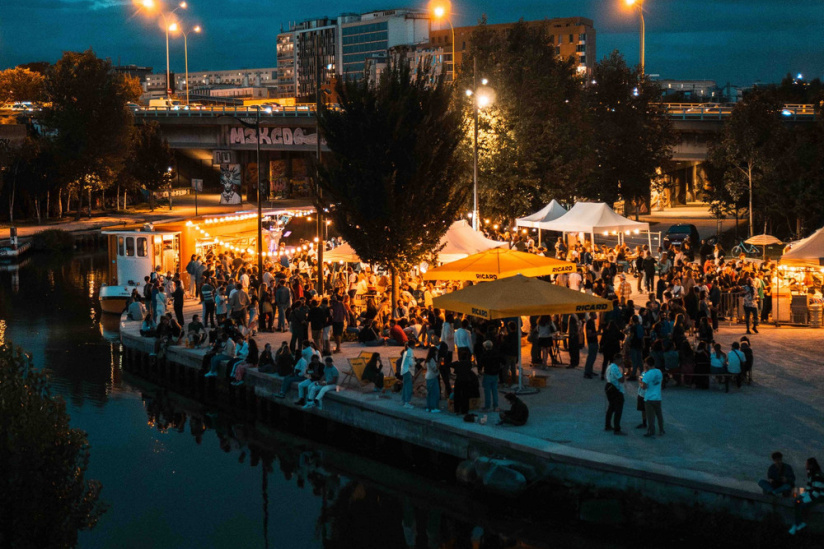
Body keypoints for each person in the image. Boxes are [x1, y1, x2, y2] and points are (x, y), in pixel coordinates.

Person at [789, 457, 824, 535]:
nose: (805, 465)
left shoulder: (817, 475)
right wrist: (801, 496)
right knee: (797, 501)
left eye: (806, 464)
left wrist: (803, 500)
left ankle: (799, 524)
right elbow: (809, 489)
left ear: (811, 465)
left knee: (802, 505)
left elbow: (816, 493)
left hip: (821, 496)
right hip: (814, 494)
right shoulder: (811, 474)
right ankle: (798, 524)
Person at [640, 357, 664, 438]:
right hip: (658, 397)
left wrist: (640, 382)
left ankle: (651, 431)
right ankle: (661, 429)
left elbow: (644, 387)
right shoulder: (659, 371)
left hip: (649, 398)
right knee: (659, 415)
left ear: (647, 364)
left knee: (650, 416)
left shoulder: (647, 374)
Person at [605, 353, 626, 435]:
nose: (622, 361)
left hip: (608, 387)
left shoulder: (609, 366)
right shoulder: (615, 368)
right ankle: (617, 429)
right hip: (615, 389)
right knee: (618, 409)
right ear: (617, 359)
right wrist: (623, 370)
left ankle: (608, 425)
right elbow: (621, 380)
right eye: (621, 359)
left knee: (611, 407)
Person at [478, 340, 502, 412]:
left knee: (487, 391)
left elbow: (480, 365)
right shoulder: (496, 353)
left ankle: (487, 406)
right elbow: (503, 361)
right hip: (495, 374)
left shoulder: (484, 355)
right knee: (494, 390)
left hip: (488, 374)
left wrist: (480, 371)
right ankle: (496, 406)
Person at [423, 346, 441, 413]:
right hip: (432, 377)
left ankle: (428, 407)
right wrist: (438, 365)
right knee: (435, 393)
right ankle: (433, 408)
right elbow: (435, 369)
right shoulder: (432, 360)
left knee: (429, 393)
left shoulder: (428, 359)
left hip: (428, 377)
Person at [399, 342, 417, 408]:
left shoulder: (406, 351)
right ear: (412, 345)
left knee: (405, 386)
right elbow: (411, 363)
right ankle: (407, 402)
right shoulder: (410, 352)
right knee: (408, 387)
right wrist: (415, 362)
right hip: (408, 371)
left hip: (404, 370)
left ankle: (403, 400)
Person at [583, 313, 599, 379]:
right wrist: (597, 333)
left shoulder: (592, 322)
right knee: (591, 357)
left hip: (594, 342)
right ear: (592, 315)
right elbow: (589, 334)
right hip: (592, 342)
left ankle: (590, 371)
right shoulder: (589, 323)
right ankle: (587, 372)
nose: (596, 315)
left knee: (593, 357)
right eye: (595, 314)